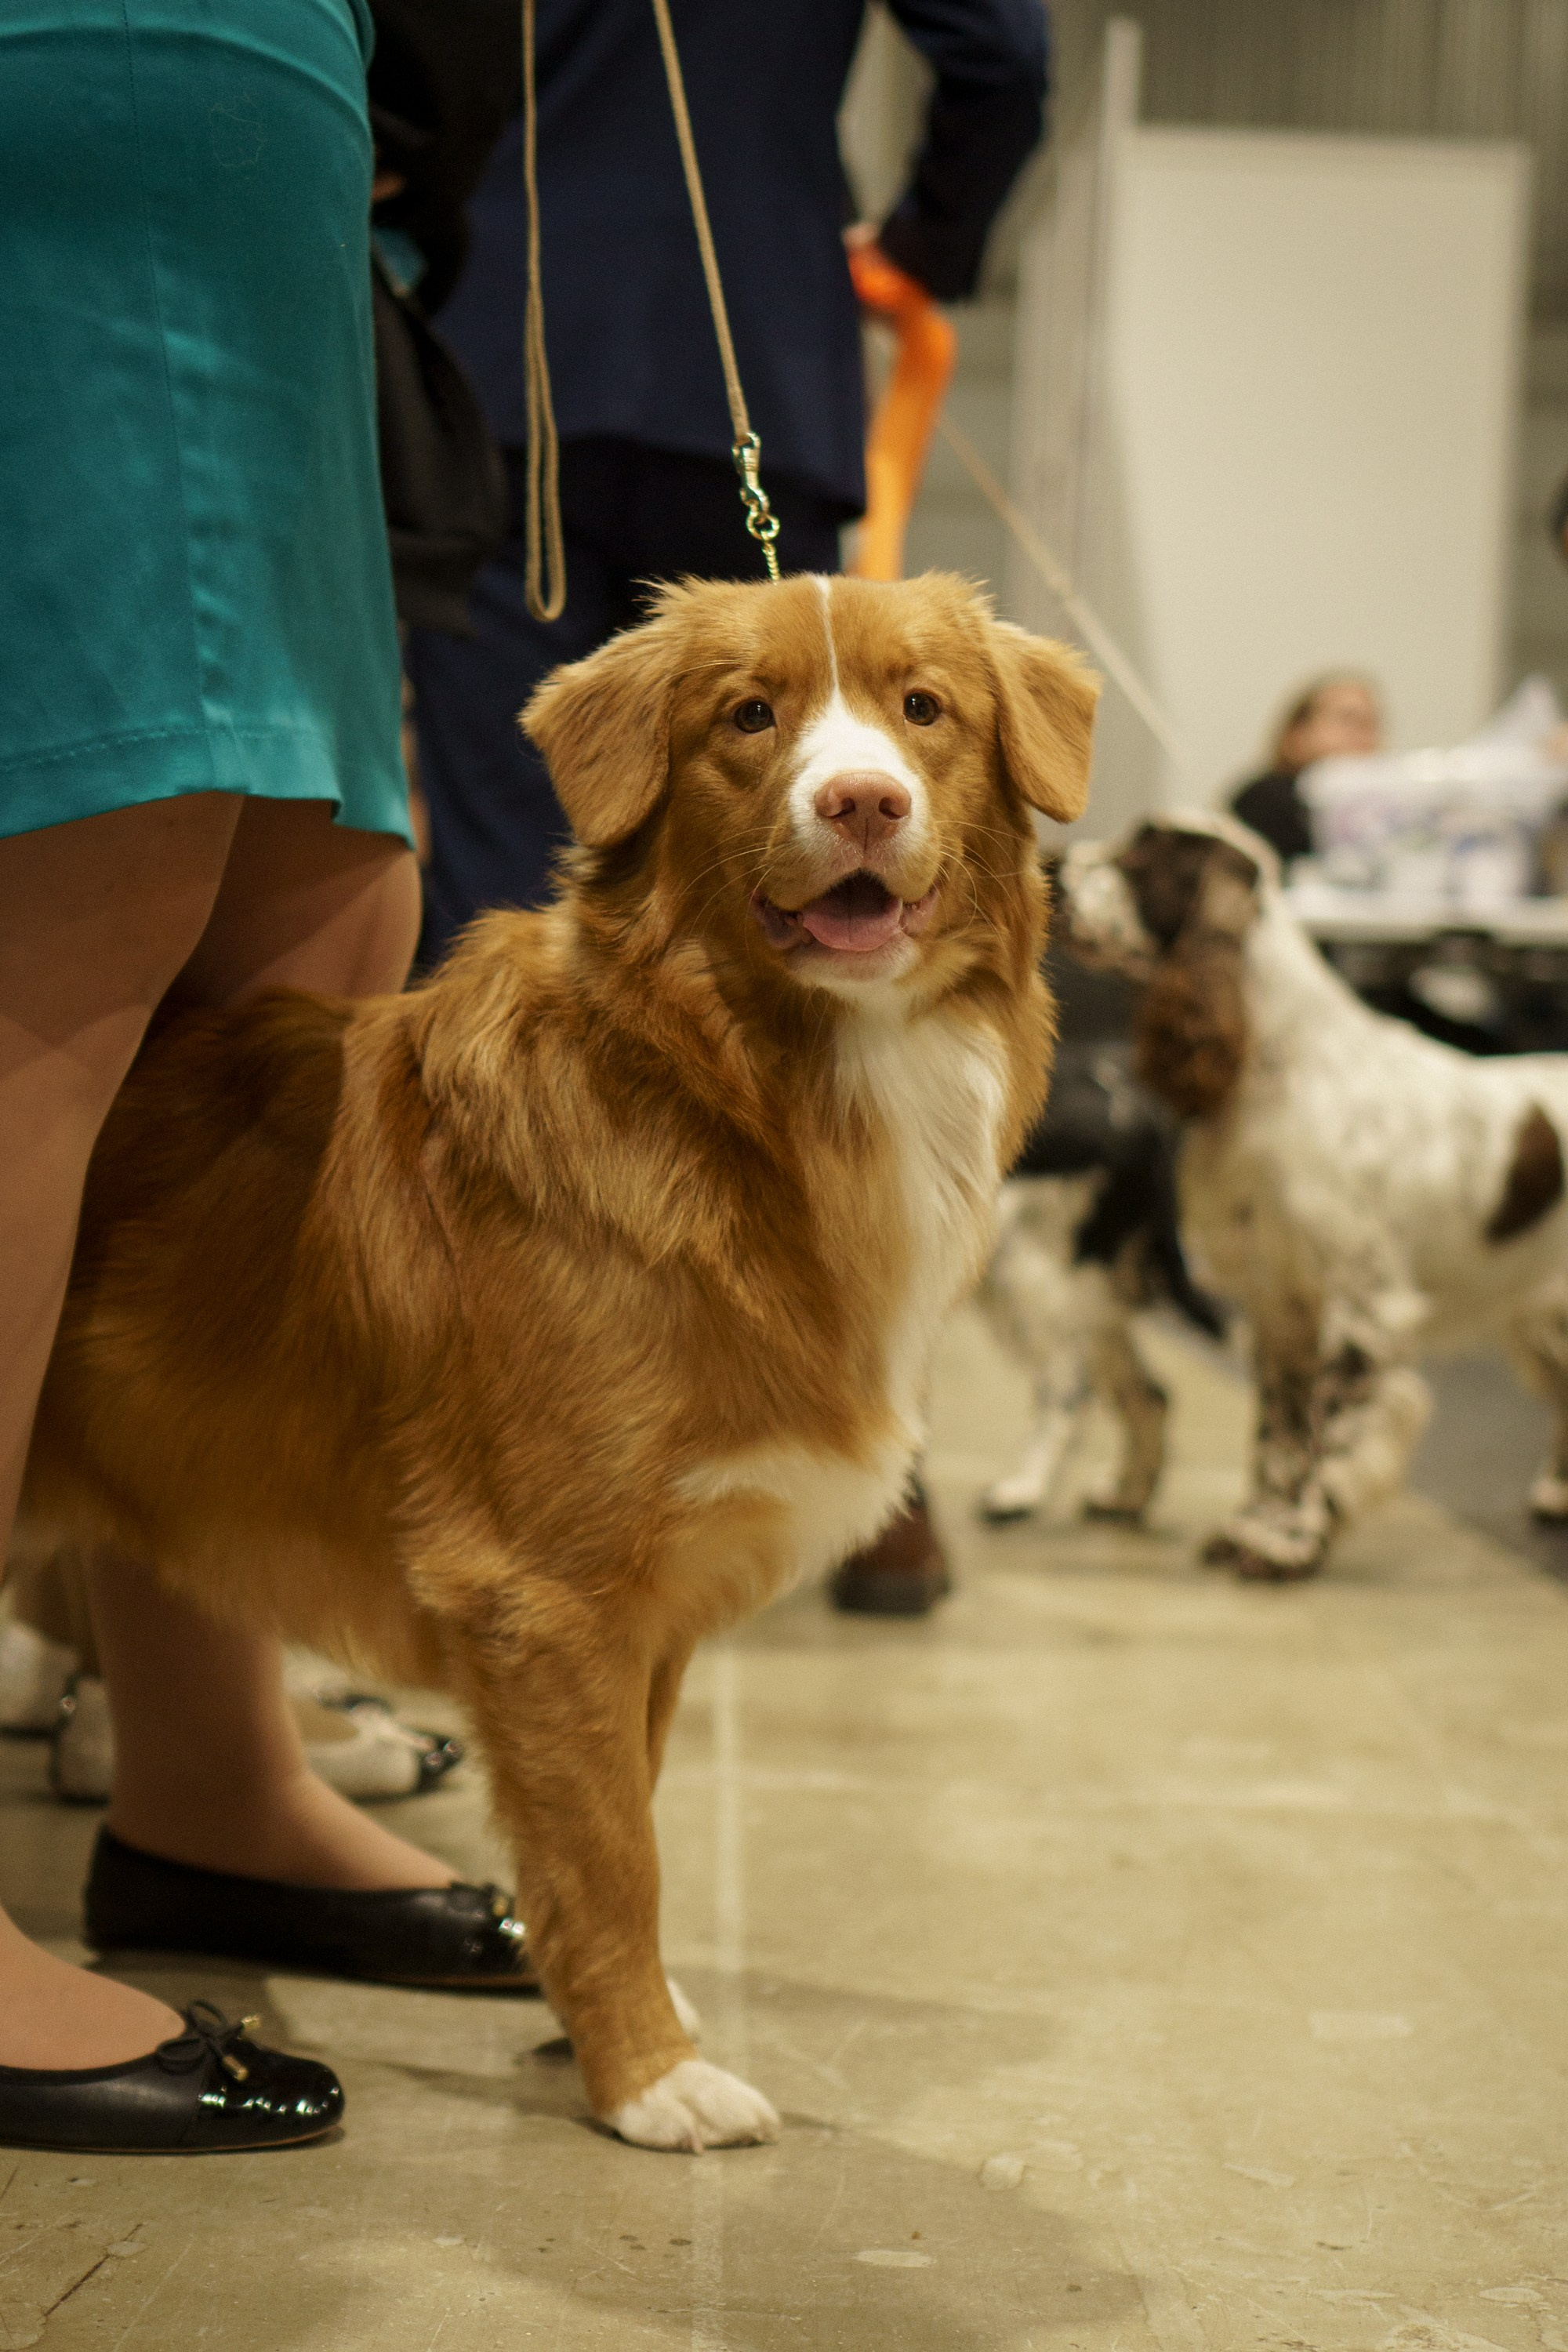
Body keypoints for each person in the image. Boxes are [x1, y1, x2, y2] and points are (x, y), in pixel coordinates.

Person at [0, 0, 529, 2159]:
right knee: (60, 919)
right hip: (83, 68)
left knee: (308, 952)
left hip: (284, 122)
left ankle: (209, 1774)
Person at [405, 0, 1050, 1620]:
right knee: (861, 942)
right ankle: (860, 1457)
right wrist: (914, 240)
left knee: (518, 914)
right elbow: (1001, 55)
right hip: (744, 341)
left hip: (492, 353)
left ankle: (531, 1440)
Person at [1228, 673, 1383, 869]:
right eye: (1347, 720)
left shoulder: (1382, 812)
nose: (1362, 735)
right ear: (1298, 733)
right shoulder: (1265, 798)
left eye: (1371, 724)